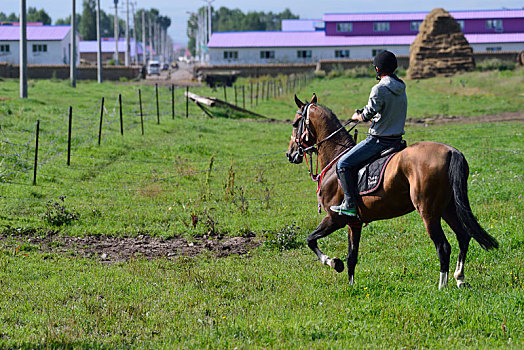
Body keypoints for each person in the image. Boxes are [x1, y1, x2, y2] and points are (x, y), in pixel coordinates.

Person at [330, 50, 408, 216]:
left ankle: (350, 204)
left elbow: (366, 115)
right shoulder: (401, 87)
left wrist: (357, 115)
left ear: (377, 70)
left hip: (378, 141)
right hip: (397, 140)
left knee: (343, 164)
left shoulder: (378, 89)